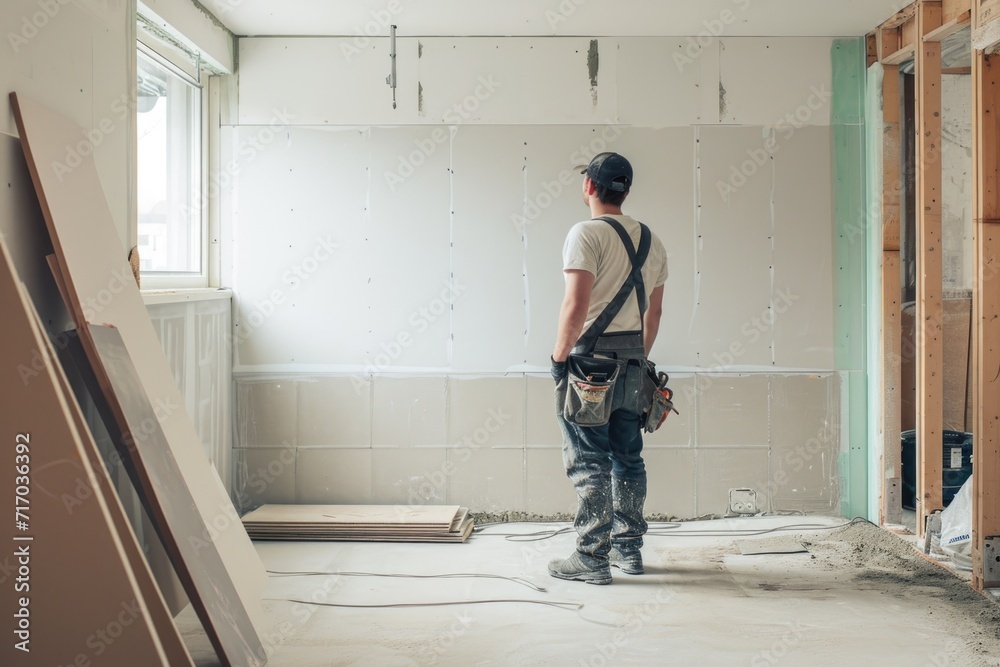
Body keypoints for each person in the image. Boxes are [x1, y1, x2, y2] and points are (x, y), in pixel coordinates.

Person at [548, 152, 668, 585]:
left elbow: (575, 305)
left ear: (589, 187)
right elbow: (653, 316)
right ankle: (628, 551)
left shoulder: (585, 234)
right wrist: (636, 360)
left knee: (589, 461)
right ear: (627, 189)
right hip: (635, 362)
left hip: (590, 366)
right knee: (628, 459)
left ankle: (591, 557)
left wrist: (560, 359)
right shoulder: (652, 240)